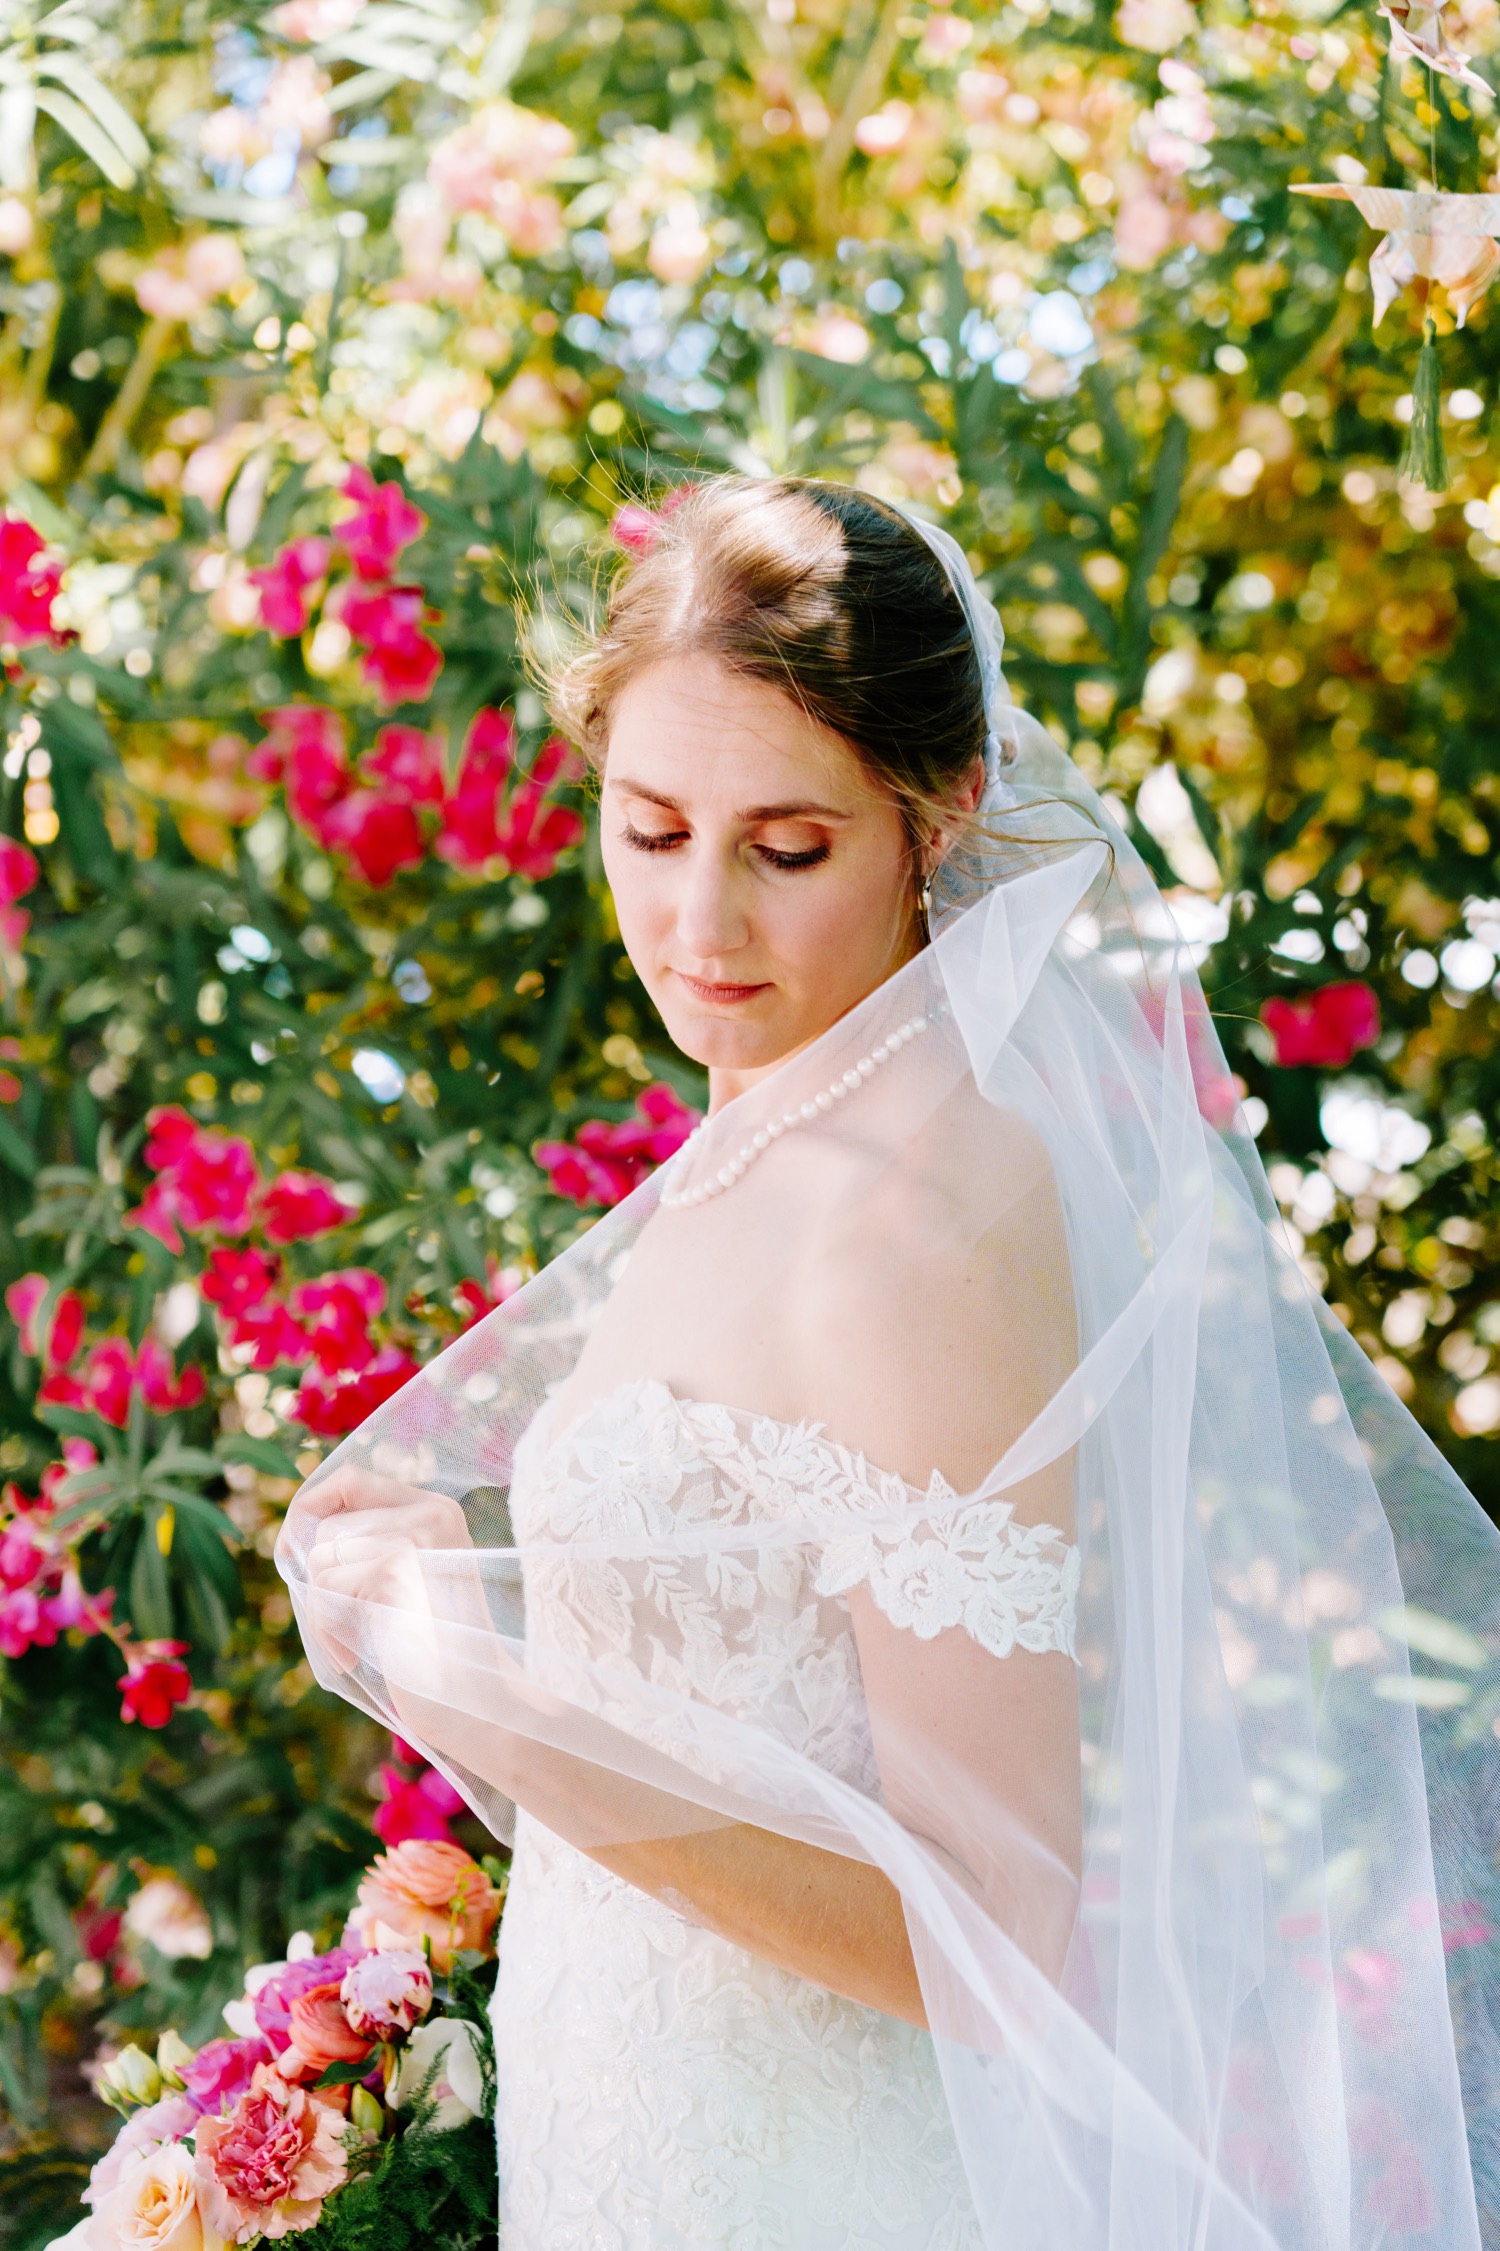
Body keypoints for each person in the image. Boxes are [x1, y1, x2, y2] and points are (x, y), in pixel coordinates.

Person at [279, 477, 1500, 2251]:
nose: (703, 926)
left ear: (942, 813)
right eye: (648, 828)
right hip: (654, 2132)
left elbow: (1000, 1932)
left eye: (788, 849)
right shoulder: (791, 1122)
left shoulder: (911, 1220)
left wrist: (482, 1695)